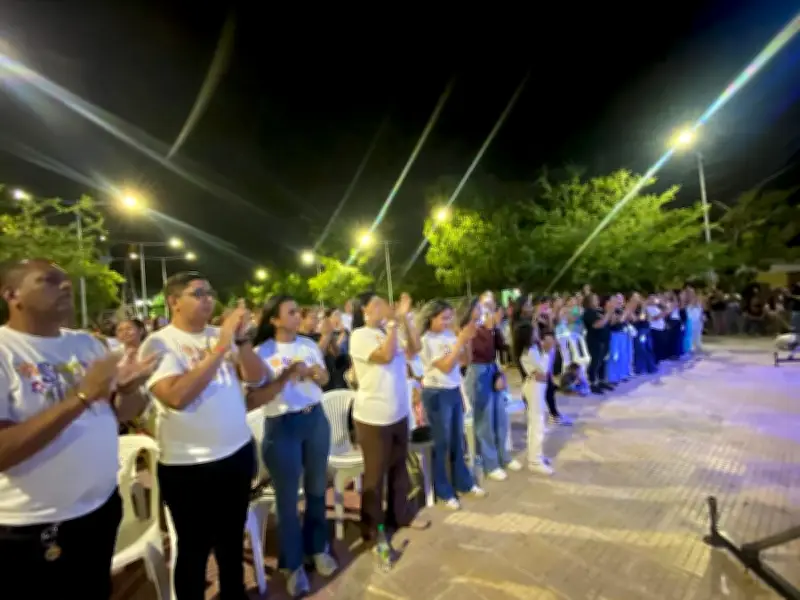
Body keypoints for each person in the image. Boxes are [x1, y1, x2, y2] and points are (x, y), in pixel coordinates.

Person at [0, 259, 156, 599]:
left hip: (98, 510)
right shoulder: (4, 351)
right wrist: (83, 395)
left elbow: (120, 414)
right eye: (50, 281)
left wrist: (131, 390)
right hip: (33, 528)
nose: (66, 287)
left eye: (67, 281)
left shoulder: (87, 344)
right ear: (12, 294)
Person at [138, 271, 268, 600]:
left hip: (235, 453)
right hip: (189, 465)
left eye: (210, 292)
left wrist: (239, 342)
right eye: (198, 293)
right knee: (194, 548)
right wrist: (221, 346)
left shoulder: (218, 335)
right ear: (173, 302)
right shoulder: (159, 343)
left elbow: (256, 377)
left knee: (230, 540)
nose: (208, 299)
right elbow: (177, 397)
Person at [250, 295, 337, 597]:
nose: (297, 316)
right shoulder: (262, 352)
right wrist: (289, 374)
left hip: (315, 420)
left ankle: (318, 548)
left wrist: (314, 372)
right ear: (273, 319)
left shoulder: (309, 345)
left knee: (316, 489)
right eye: (290, 312)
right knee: (287, 501)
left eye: (298, 311)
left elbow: (325, 378)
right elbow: (255, 397)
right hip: (282, 425)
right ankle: (293, 564)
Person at [348, 291, 429, 550]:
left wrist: (406, 320)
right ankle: (374, 530)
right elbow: (384, 356)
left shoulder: (388, 331)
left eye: (385, 303)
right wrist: (394, 324)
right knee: (375, 477)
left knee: (399, 470)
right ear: (365, 311)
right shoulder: (359, 336)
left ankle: (401, 515)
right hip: (373, 418)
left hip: (398, 412)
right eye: (379, 304)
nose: (386, 308)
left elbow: (415, 349)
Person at [419, 300, 485, 509]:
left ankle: (464, 482)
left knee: (458, 439)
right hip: (437, 393)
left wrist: (465, 341)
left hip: (454, 389)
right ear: (431, 318)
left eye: (450, 317)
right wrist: (459, 341)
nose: (448, 322)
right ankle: (444, 490)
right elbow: (446, 366)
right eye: (443, 318)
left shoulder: (449, 336)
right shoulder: (426, 340)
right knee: (442, 443)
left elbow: (465, 361)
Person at [464, 295, 522, 482]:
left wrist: (495, 329)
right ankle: (491, 464)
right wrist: (488, 329)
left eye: (490, 305)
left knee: (500, 417)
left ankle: (503, 457)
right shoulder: (466, 329)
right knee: (485, 421)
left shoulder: (490, 326)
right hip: (477, 373)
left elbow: (500, 348)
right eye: (482, 305)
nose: (486, 309)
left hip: (492, 369)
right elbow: (469, 355)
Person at [517, 325, 556, 475]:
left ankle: (536, 456)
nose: (537, 333)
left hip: (537, 386)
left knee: (537, 422)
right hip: (534, 387)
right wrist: (547, 351)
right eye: (533, 331)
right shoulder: (530, 351)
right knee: (537, 423)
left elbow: (544, 373)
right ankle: (535, 460)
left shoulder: (533, 349)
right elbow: (544, 370)